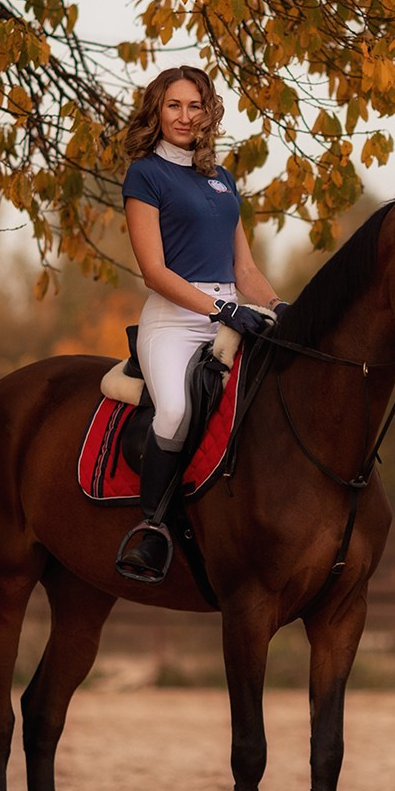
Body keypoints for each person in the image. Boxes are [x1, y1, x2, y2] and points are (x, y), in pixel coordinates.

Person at [113, 66, 285, 585]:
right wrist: (219, 310)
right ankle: (152, 529)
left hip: (231, 316)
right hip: (173, 322)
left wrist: (278, 308)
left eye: (195, 106)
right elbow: (155, 271)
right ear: (157, 112)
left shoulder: (223, 178)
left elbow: (245, 271)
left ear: (209, 113)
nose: (185, 117)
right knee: (177, 409)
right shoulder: (145, 175)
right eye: (174, 106)